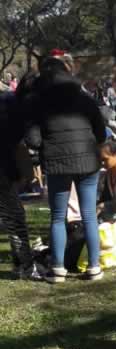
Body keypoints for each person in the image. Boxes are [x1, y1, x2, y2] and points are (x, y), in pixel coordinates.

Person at [24, 54, 107, 283]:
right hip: (88, 161)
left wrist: (46, 143)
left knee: (58, 217)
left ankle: (58, 268)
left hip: (57, 162)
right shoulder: (83, 96)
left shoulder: (39, 101)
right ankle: (94, 266)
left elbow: (32, 138)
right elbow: (101, 131)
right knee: (89, 215)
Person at [0, 89, 42, 280]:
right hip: (4, 170)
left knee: (11, 217)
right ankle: (25, 265)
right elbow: (19, 140)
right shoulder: (8, 102)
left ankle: (21, 264)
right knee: (15, 218)